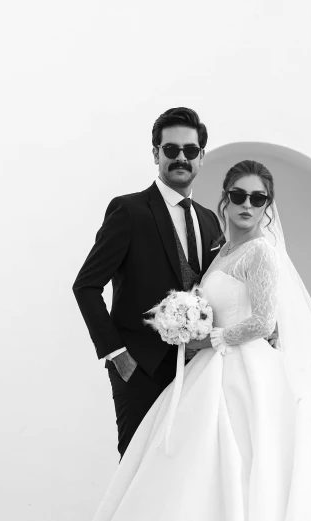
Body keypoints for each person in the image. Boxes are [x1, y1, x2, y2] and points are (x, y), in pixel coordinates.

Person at [91, 160, 311, 521]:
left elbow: (263, 322)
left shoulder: (261, 252)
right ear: (225, 201)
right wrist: (183, 322)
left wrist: (210, 340)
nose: (247, 204)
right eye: (239, 195)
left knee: (248, 456)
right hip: (210, 364)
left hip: (244, 369)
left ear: (267, 207)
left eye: (258, 199)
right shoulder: (222, 251)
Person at [72, 107, 225, 458]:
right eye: (170, 150)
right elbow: (86, 286)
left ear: (201, 157)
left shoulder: (209, 220)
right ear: (155, 153)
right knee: (136, 470)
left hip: (198, 370)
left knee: (187, 472)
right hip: (140, 371)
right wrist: (118, 356)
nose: (180, 158)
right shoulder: (129, 211)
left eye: (189, 151)